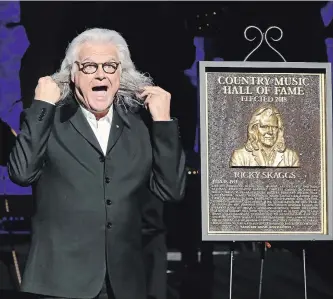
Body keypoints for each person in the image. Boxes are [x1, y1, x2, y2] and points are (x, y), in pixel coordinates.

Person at [7, 28, 186, 299]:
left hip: (126, 284)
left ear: (120, 75)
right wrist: (42, 105)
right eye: (90, 66)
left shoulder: (139, 127)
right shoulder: (48, 122)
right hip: (60, 283)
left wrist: (163, 123)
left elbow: (171, 190)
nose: (101, 73)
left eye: (110, 66)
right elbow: (21, 174)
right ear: (73, 74)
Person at [230, 104, 300, 167]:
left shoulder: (291, 158)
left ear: (279, 129)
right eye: (264, 127)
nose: (270, 132)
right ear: (254, 128)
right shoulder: (240, 157)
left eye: (274, 127)